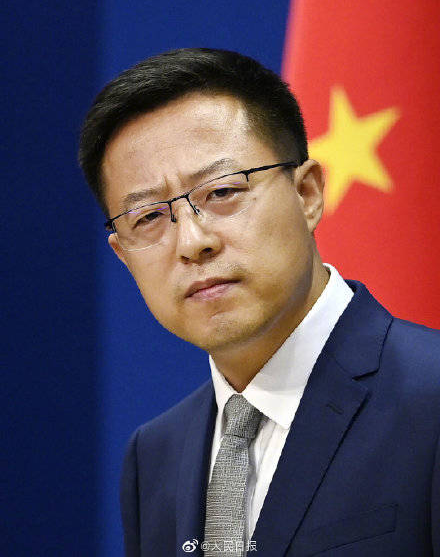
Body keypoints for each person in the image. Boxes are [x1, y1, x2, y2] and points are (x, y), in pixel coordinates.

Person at [78, 48, 440, 556]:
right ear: (122, 254)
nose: (192, 242)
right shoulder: (155, 455)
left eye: (222, 192)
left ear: (307, 193)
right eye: (149, 218)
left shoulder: (430, 399)